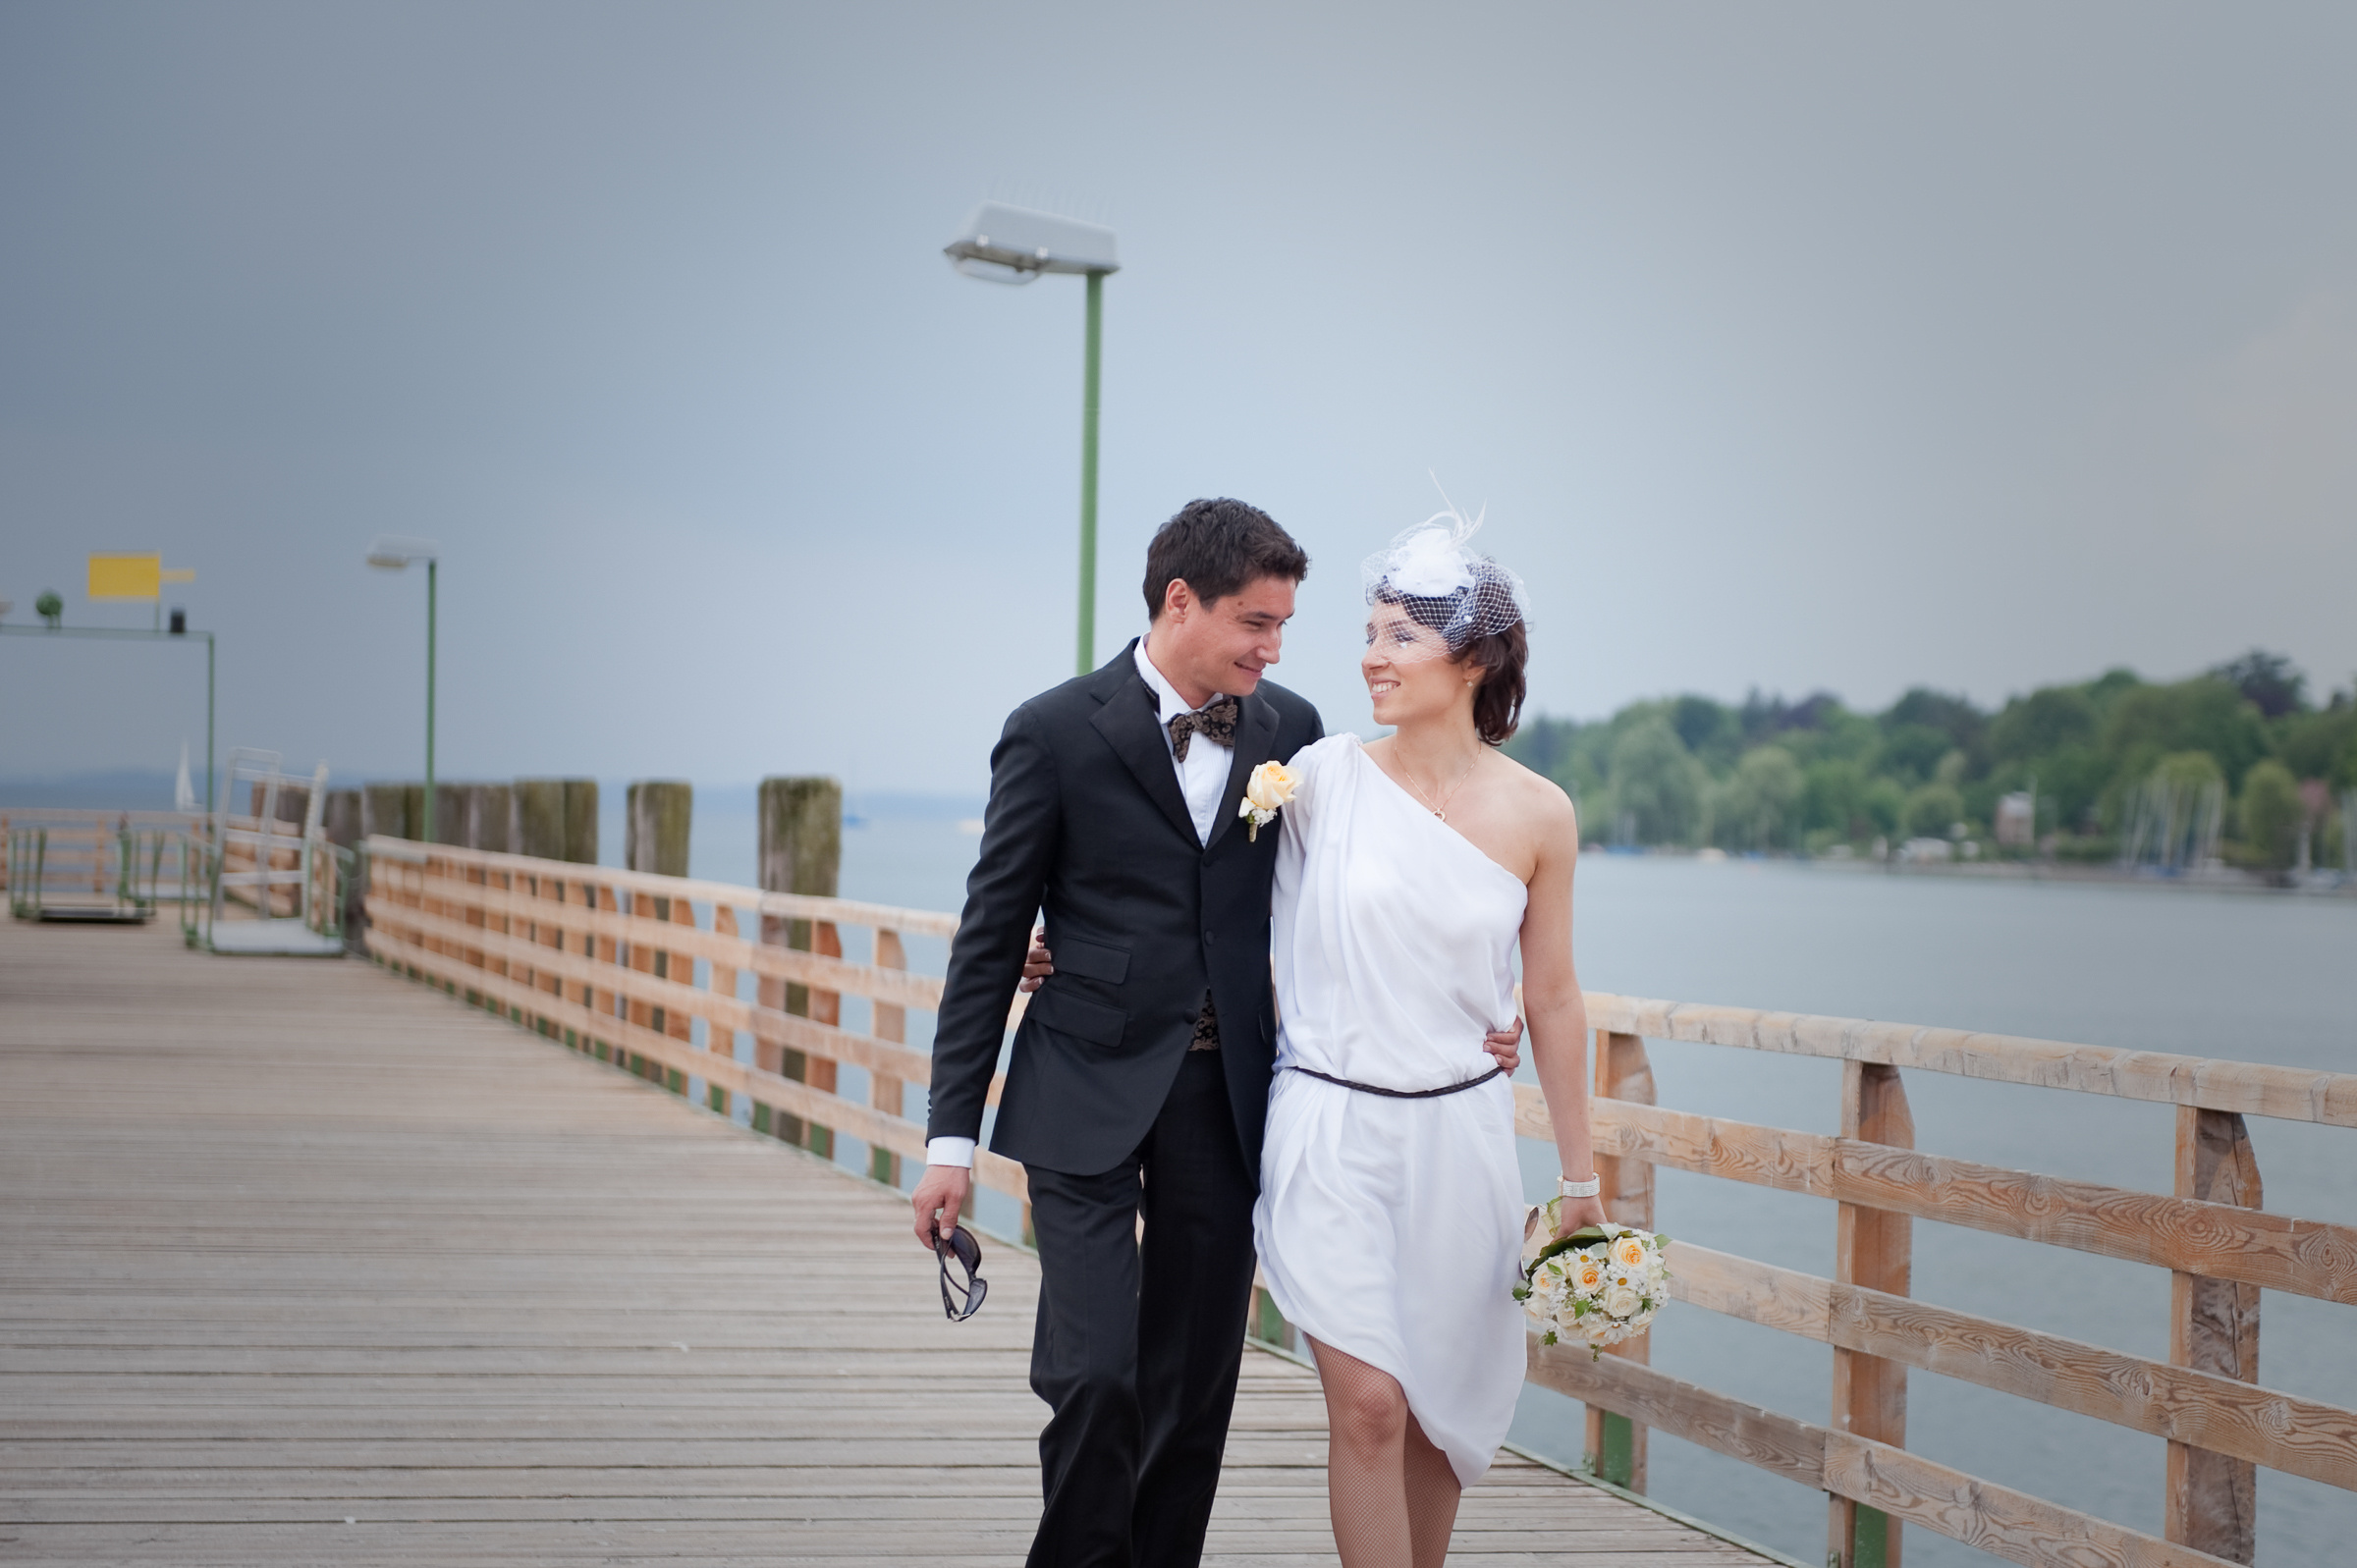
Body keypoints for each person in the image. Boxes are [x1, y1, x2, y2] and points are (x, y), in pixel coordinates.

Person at [912, 498, 1521, 1568]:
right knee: (1097, 1372)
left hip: (1225, 1099)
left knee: (1193, 1393)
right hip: (1081, 1087)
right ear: (1180, 602)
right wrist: (947, 1143)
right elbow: (989, 934)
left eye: (1284, 624)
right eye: (1255, 622)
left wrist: (1482, 1009)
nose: (1273, 647)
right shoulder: (1052, 729)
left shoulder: (1289, 732)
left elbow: (1378, 889)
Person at [1251, 513, 1605, 1568]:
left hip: (1460, 1141)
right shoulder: (1316, 780)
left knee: (1441, 1421)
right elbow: (1190, 892)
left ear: (1476, 655)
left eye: (1400, 634)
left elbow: (1551, 997)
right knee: (1369, 1405)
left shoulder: (1541, 814)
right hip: (1329, 1128)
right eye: (1369, 630)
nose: (1371, 654)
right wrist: (1057, 937)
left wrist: (1579, 1175)